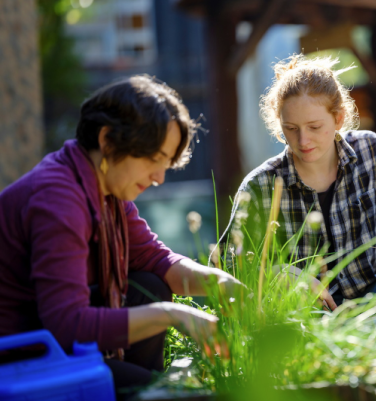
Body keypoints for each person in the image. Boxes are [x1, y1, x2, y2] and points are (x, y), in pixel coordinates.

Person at [0, 76, 242, 399]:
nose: (159, 178)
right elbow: (67, 324)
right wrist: (173, 316)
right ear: (108, 141)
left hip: (53, 338)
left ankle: (146, 385)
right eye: (153, 160)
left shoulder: (106, 192)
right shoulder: (59, 199)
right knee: (173, 394)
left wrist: (223, 285)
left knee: (150, 285)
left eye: (166, 164)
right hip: (22, 354)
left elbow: (158, 260)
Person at [233, 55, 376, 315]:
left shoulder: (372, 151)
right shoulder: (260, 185)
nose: (303, 140)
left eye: (314, 127)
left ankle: (374, 335)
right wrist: (276, 272)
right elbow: (229, 266)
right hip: (308, 320)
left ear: (338, 119)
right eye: (291, 128)